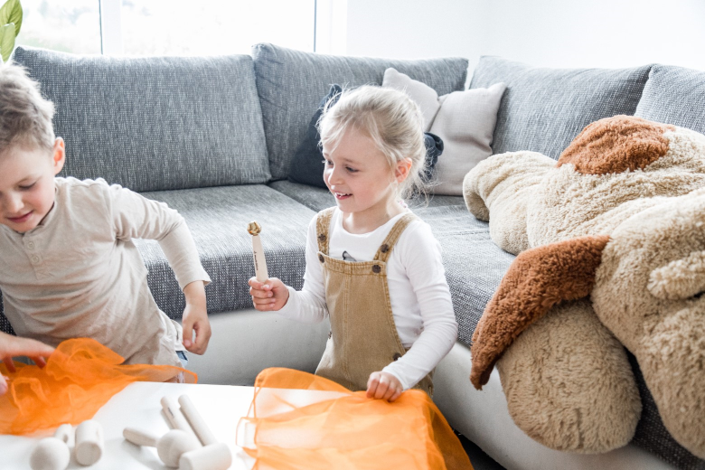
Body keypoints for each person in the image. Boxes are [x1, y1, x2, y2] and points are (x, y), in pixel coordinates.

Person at [249, 86, 458, 402]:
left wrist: (398, 375)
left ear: (399, 171)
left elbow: (443, 326)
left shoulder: (411, 237)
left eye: (350, 168)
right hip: (336, 385)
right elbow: (317, 306)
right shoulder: (321, 228)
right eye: (329, 161)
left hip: (396, 395)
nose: (333, 178)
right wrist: (285, 299)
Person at [0, 63, 211, 370]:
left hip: (143, 358)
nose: (14, 206)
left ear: (56, 157)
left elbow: (169, 224)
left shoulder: (97, 202)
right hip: (60, 375)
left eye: (27, 185)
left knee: (164, 416)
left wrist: (195, 300)